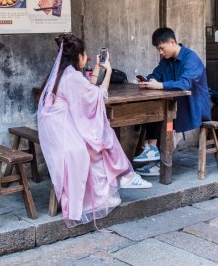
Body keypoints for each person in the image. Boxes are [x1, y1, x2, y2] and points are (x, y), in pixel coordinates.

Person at [37, 33, 152, 228]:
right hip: (62, 131)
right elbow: (98, 96)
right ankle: (115, 185)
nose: (87, 58)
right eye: (85, 55)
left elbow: (87, 92)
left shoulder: (61, 74)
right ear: (78, 56)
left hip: (55, 129)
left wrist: (97, 67)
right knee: (98, 143)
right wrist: (108, 71)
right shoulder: (72, 77)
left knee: (100, 139)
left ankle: (122, 177)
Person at [134, 27, 212, 176]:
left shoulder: (191, 58)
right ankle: (153, 154)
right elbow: (156, 73)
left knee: (159, 110)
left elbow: (184, 84)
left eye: (162, 48)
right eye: (158, 49)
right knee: (154, 107)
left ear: (172, 42)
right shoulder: (166, 61)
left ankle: (155, 158)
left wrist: (160, 85)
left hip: (193, 108)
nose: (160, 52)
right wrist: (150, 80)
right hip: (177, 105)